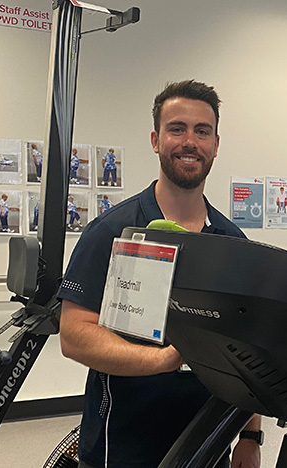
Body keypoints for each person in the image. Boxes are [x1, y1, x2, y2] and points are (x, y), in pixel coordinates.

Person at [57, 80, 262, 468]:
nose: (190, 141)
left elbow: (246, 347)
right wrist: (164, 360)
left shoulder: (232, 243)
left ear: (216, 145)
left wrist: (250, 436)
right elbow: (74, 335)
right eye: (177, 128)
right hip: (121, 447)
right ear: (156, 139)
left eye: (202, 131)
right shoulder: (112, 231)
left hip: (206, 446)